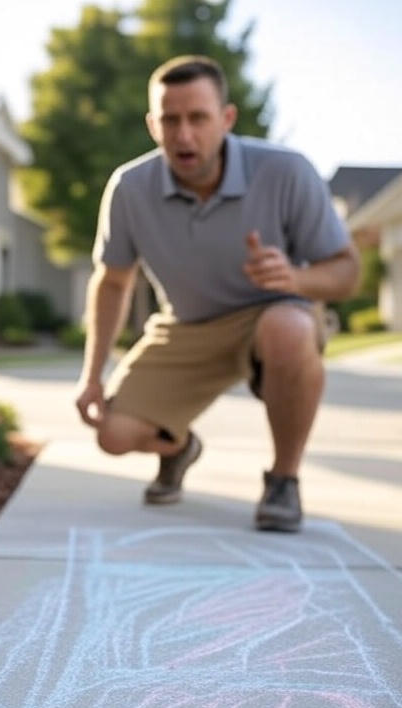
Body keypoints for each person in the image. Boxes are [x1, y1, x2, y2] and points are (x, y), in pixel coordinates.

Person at [75, 55, 359, 532]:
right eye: (170, 119)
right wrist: (92, 374)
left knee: (288, 328)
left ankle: (283, 479)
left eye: (198, 118)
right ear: (152, 124)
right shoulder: (129, 188)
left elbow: (347, 273)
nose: (184, 134)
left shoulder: (287, 171)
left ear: (226, 118)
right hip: (188, 326)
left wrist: (295, 278)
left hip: (274, 313)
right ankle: (180, 445)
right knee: (113, 435)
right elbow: (113, 281)